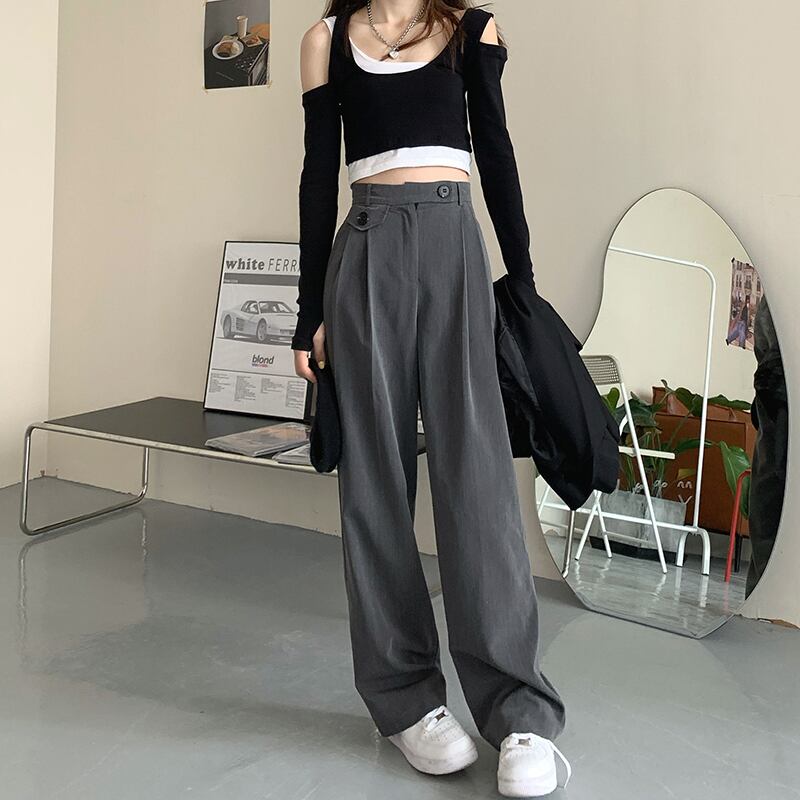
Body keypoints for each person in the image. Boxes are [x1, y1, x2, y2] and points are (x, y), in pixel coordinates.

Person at [291, 2, 569, 796]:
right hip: (365, 251)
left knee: (477, 480)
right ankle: (407, 701)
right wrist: (309, 313)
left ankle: (518, 711)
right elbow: (317, 174)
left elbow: (498, 152)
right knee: (374, 484)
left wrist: (522, 287)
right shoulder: (324, 41)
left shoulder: (473, 30)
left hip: (454, 245)